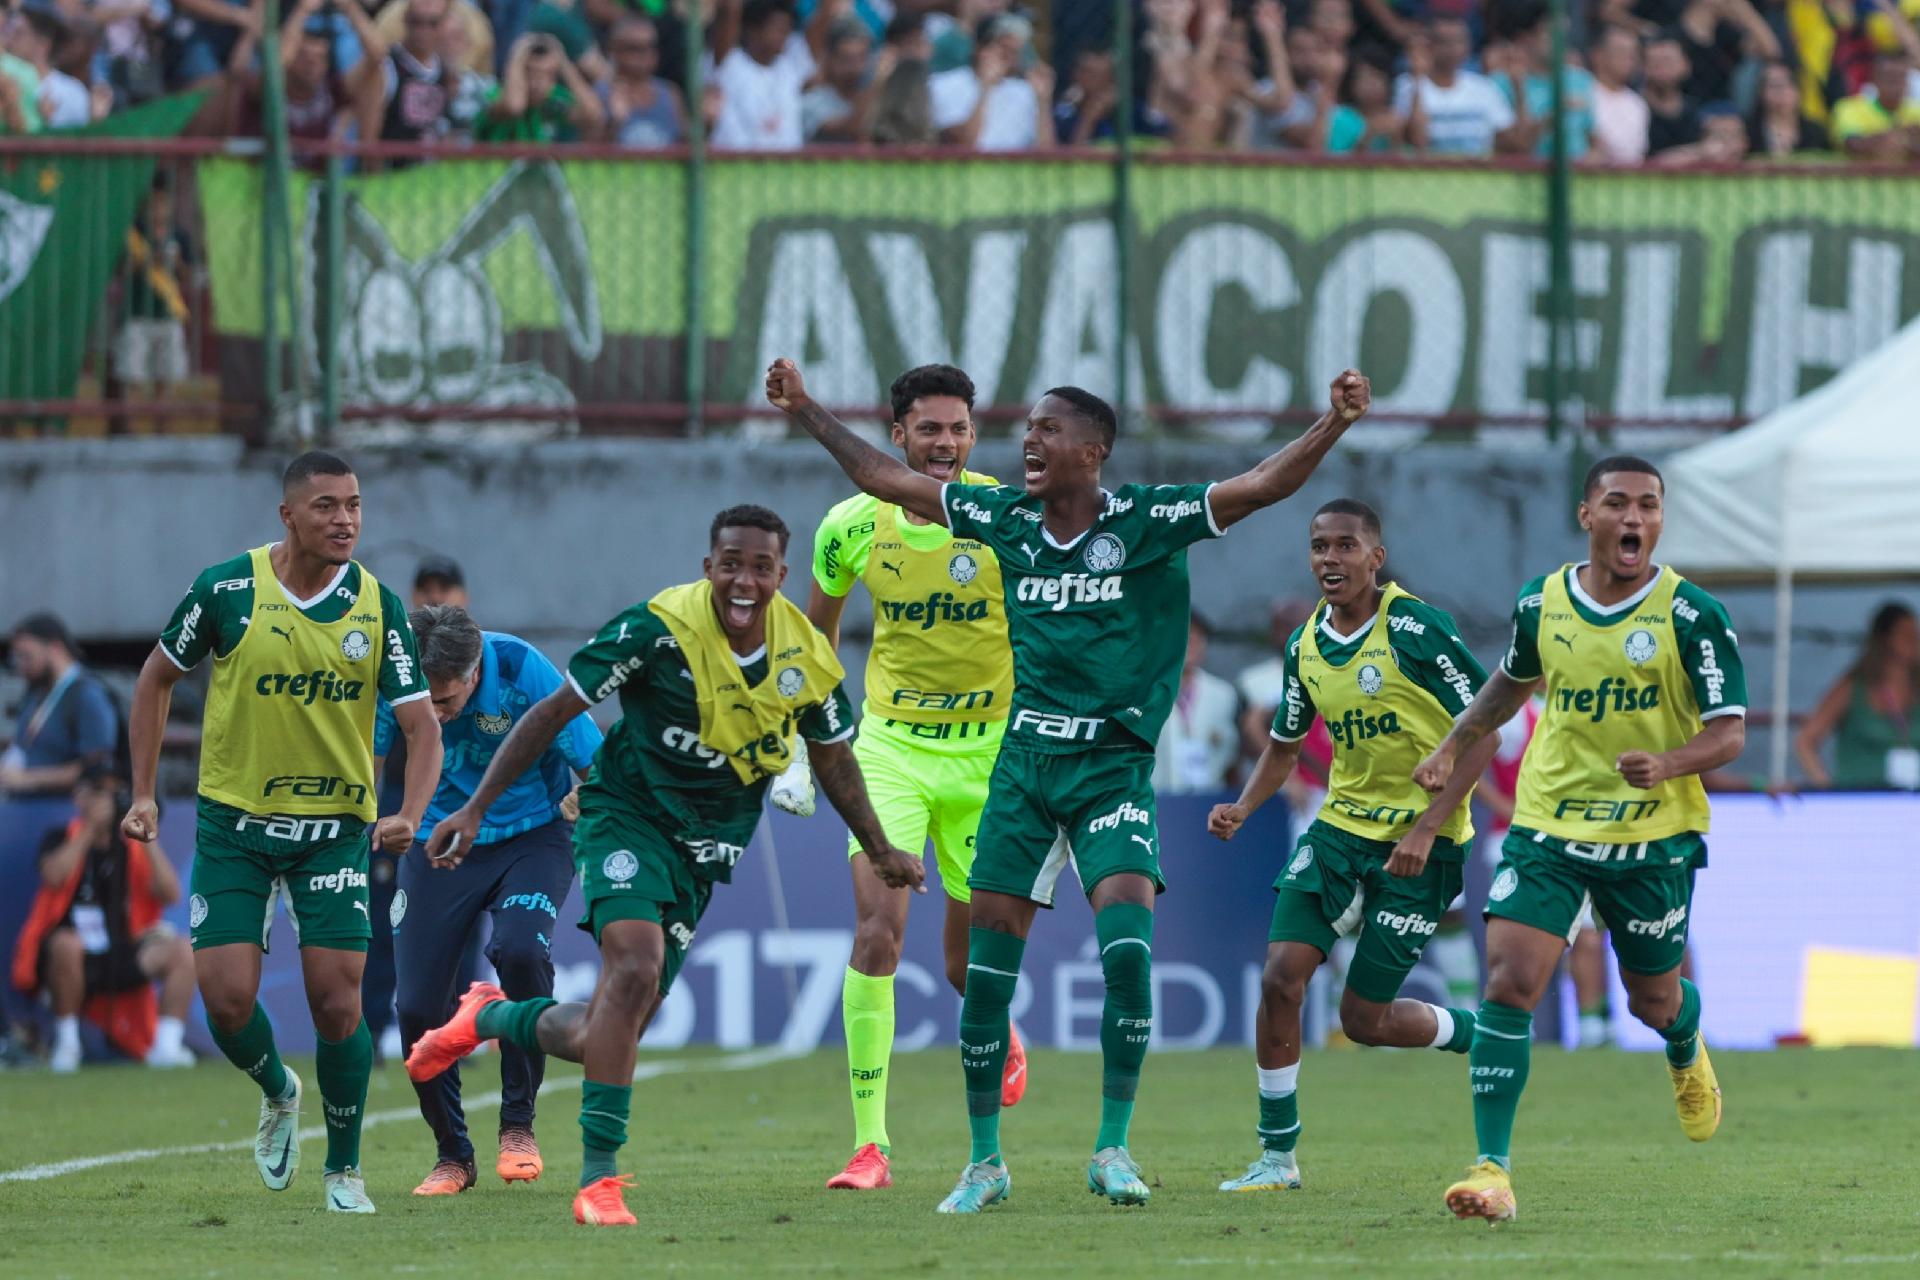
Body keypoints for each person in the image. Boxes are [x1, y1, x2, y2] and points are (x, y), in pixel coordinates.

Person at [765, 354, 1372, 1214]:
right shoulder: (1004, 519)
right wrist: (806, 409)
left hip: (1111, 770)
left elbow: (1265, 483)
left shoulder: (1151, 517)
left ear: (1094, 450)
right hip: (1021, 767)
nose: (1027, 444)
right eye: (1027, 431)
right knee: (985, 971)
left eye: (1047, 430)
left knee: (1129, 951)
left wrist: (1335, 422)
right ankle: (984, 1163)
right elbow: (883, 477)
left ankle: (1112, 1148)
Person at [405, 504, 921, 1228]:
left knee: (610, 1030)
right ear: (709, 566)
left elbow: (834, 759)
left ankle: (492, 1017)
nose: (744, 581)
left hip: (705, 848)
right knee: (636, 967)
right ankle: (598, 1181)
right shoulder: (654, 629)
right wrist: (477, 807)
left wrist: (877, 846)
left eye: (761, 567)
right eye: (731, 563)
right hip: (626, 816)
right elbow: (552, 715)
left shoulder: (806, 656)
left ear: (781, 575)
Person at [1412, 454, 1747, 1224]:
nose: (1635, 519)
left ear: (1660, 521)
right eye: (1619, 504)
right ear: (1586, 516)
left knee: (1651, 1000)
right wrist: (1451, 741)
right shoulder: (1543, 601)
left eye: (1649, 506)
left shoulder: (1691, 614)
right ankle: (1492, 1168)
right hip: (1549, 825)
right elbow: (1509, 683)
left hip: (1653, 836)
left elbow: (1729, 735)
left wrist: (1668, 762)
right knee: (1509, 984)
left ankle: (1684, 1039)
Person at [120, 450, 442, 1215]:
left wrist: (410, 816)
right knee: (226, 1002)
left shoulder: (379, 606)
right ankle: (277, 1088)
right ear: (288, 515)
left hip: (334, 830)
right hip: (234, 825)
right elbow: (154, 678)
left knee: (339, 1005)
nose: (345, 520)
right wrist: (142, 794)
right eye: (327, 505)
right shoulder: (226, 590)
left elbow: (422, 729)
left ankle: (344, 1172)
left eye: (355, 505)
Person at [1206, 499, 1497, 1193]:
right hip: (1340, 831)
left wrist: (1429, 826)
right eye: (1318, 547)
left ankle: (1481, 1032)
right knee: (1281, 977)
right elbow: (1283, 743)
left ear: (1376, 557)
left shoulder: (1415, 629)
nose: (1329, 559)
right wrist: (1244, 806)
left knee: (1363, 1020)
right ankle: (1278, 1157)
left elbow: (1486, 725)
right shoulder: (1305, 645)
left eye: (1345, 546)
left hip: (1421, 843)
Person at [804, 364, 1024, 1192]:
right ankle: (871, 1145)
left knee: (969, 967)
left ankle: (999, 1030)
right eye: (928, 429)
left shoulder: (1005, 517)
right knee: (877, 936)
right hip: (891, 750)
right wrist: (808, 744)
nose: (945, 443)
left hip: (990, 756)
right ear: (896, 435)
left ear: (974, 435)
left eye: (959, 429)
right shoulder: (849, 527)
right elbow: (814, 642)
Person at [378, 605, 600, 1196]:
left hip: (532, 836)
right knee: (418, 1005)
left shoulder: (522, 668)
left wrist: (593, 797)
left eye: (447, 702)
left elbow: (596, 763)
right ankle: (453, 1154)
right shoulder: (396, 674)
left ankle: (518, 1125)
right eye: (428, 704)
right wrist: (385, 821)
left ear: (475, 670)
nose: (438, 715)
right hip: (436, 841)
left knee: (521, 952)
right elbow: (367, 762)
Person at [12, 763, 196, 1072]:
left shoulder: (131, 847)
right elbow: (54, 876)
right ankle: (67, 1046)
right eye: (99, 791)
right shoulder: (60, 836)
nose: (108, 799)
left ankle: (167, 1046)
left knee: (184, 950)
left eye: (114, 792)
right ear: (79, 797)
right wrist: (90, 829)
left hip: (121, 949)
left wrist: (146, 836)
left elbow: (170, 893)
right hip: (69, 957)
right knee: (66, 944)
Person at [1795, 601, 1919, 790]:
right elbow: (1805, 741)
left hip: (1910, 804)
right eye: (1906, 634)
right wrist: (1828, 789)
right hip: (1861, 801)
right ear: (1885, 639)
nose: (1915, 640)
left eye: (1915, 633)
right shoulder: (1853, 688)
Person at [4, 613, 119, 798]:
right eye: (18, 657)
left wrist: (28, 779)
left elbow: (97, 768)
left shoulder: (87, 695)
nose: (21, 665)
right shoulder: (35, 692)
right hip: (25, 811)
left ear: (55, 648)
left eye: (27, 656)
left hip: (65, 814)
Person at [114, 176, 196, 424]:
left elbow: (189, 276)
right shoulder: (133, 234)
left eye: (163, 203)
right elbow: (119, 271)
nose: (158, 209)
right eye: (153, 204)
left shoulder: (179, 235)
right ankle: (130, 433)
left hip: (167, 315)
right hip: (136, 314)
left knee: (165, 378)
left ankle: (162, 431)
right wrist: (144, 261)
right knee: (133, 377)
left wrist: (176, 261)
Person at [1393, 16, 1518, 156]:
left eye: (1459, 41)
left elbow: (1514, 144)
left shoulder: (1484, 87)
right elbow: (1417, 140)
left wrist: (1518, 86)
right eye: (1444, 42)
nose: (1452, 49)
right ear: (1429, 46)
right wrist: (1417, 77)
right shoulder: (1407, 84)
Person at [929, 12, 1055, 151]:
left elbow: (1047, 152)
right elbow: (965, 144)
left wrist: (1043, 102)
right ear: (979, 48)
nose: (1009, 58)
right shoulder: (944, 84)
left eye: (1015, 51)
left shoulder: (1025, 92)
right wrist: (986, 88)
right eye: (1004, 49)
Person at [1153, 613, 1242, 793]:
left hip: (1207, 802)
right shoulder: (1146, 692)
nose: (1191, 643)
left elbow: (1233, 759)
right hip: (1155, 801)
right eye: (1183, 636)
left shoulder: (1223, 694)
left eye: (1198, 637)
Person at [476, 32, 602, 142]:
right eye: (531, 74)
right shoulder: (495, 95)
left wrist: (564, 63)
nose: (538, 84)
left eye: (548, 75)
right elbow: (514, 107)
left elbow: (593, 114)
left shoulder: (551, 100)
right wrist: (517, 55)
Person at [599, 14, 686, 147]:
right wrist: (614, 124)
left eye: (651, 46)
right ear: (613, 51)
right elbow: (590, 153)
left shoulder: (670, 93)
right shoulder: (600, 94)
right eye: (635, 49)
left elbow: (685, 145)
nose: (646, 55)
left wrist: (707, 126)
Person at [1831, 51, 1920, 160]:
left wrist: (1906, 143)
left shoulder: (1917, 111)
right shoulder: (1849, 108)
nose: (1897, 85)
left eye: (1901, 78)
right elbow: (1851, 145)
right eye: (1891, 79)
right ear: (1875, 81)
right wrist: (1900, 137)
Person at [1589, 25, 1651, 165]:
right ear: (1598, 56)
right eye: (1622, 52)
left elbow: (1637, 155)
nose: (1630, 60)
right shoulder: (1582, 93)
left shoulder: (1637, 104)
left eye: (1634, 54)